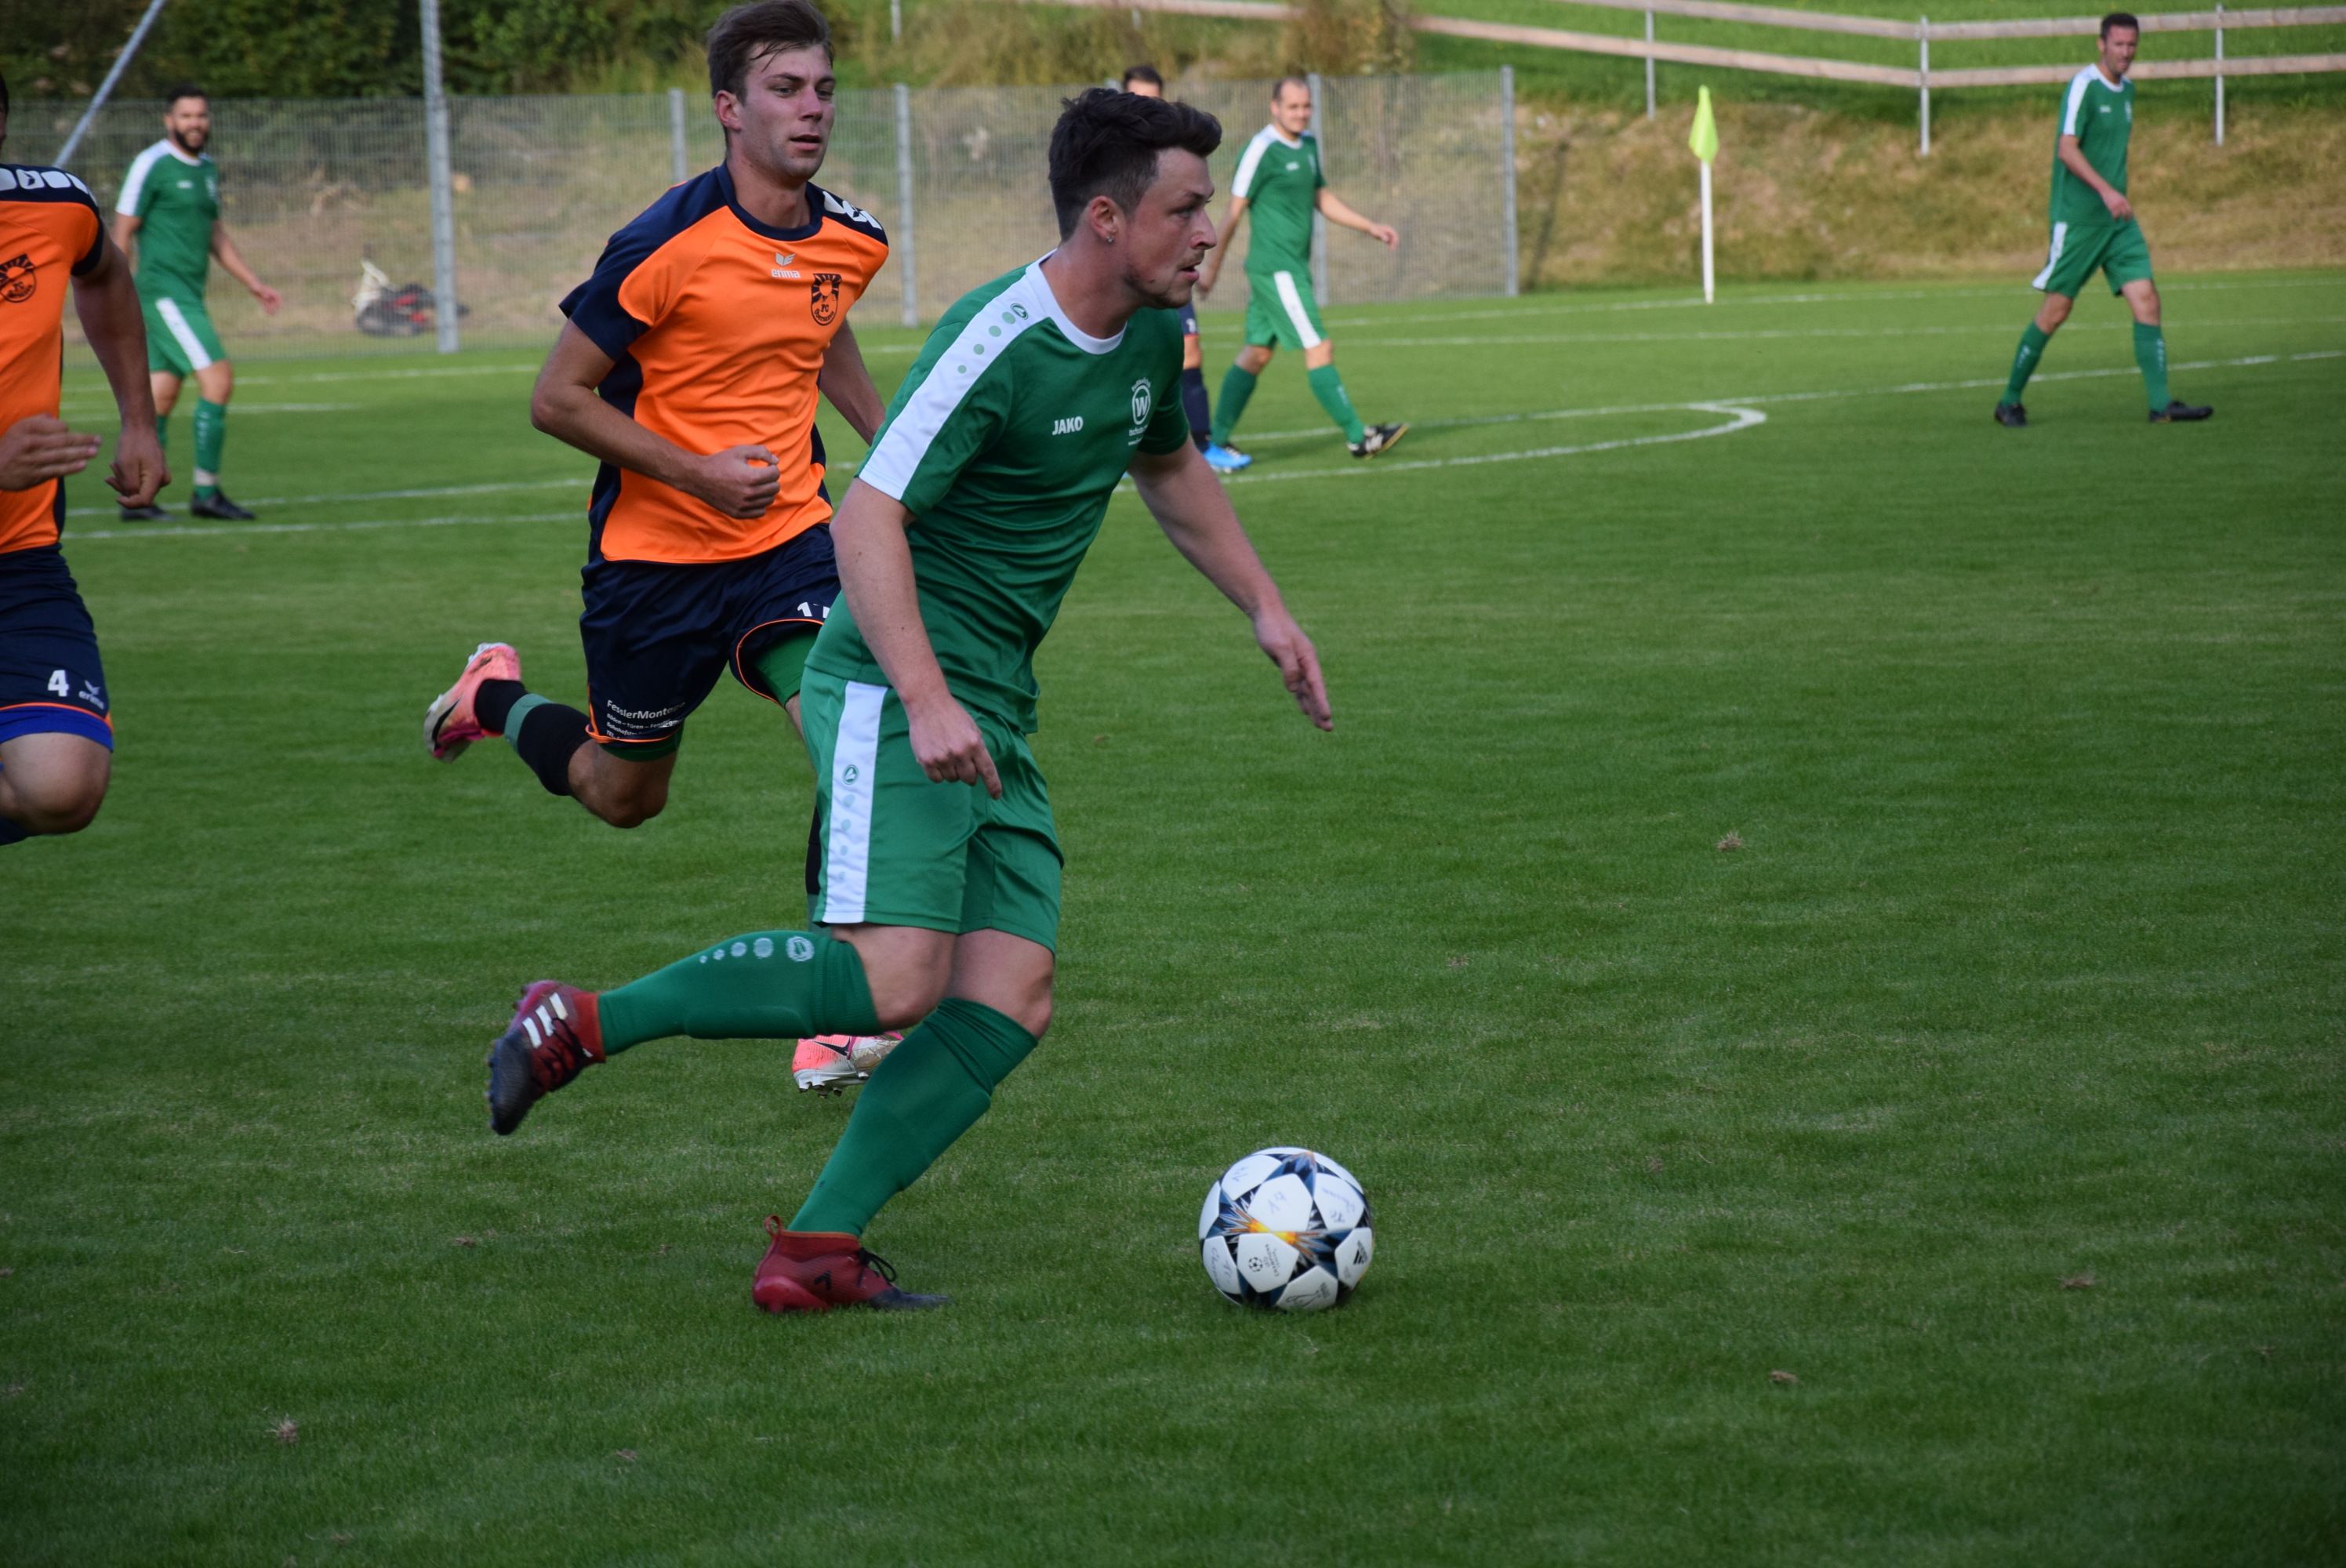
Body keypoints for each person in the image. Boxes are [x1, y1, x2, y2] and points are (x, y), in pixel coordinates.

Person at [477, 87, 1333, 1315]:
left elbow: (1167, 462)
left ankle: (816, 1248)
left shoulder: (1153, 329)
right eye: (1186, 208)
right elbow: (867, 513)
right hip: (896, 680)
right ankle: (580, 1021)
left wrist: (1266, 607)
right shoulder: (998, 336)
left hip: (995, 701)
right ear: (1106, 218)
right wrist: (926, 699)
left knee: (1010, 994)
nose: (1210, 231)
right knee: (893, 982)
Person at [421, 0, 899, 1094]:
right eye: (786, 89)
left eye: (824, 89)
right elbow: (557, 397)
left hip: (791, 541)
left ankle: (843, 1008)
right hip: (654, 563)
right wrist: (696, 473)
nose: (813, 109)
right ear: (729, 108)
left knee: (854, 736)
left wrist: (892, 442)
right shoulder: (663, 243)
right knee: (622, 794)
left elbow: (819, 326)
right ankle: (493, 697)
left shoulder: (855, 237)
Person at [0, 74, 169, 846]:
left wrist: (140, 421)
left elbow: (105, 274)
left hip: (19, 559)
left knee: (62, 788)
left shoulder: (55, 207)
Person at [1994, 13, 2212, 428]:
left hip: (2118, 223)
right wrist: (2106, 191)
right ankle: (2009, 401)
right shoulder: (2084, 86)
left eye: (2132, 45)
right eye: (2118, 44)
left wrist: (2116, 197)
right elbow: (2067, 148)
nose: (2126, 52)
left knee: (2147, 299)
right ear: (2101, 44)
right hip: (2080, 221)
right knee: (2056, 310)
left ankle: (2161, 404)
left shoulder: (2128, 91)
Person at [1197, 76, 1404, 462]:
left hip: (1290, 268)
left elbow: (1321, 197)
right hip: (1277, 271)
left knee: (1256, 354)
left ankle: (1215, 442)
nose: (1301, 113)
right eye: (1293, 106)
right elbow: (1233, 213)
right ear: (1274, 107)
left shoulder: (1308, 144)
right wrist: (1211, 269)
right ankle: (1358, 438)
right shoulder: (1261, 149)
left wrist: (1369, 226)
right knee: (1319, 346)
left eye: (1306, 106)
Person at [111, 85, 280, 521]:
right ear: (169, 120)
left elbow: (214, 234)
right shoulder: (151, 164)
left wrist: (253, 283)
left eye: (201, 115)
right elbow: (123, 231)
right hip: (162, 294)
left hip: (188, 294)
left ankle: (139, 497)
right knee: (218, 380)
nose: (195, 123)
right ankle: (206, 492)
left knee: (161, 396)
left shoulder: (207, 169)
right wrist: (116, 294)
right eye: (186, 116)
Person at [1120, 65, 1250, 472]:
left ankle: (1202, 443)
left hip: (1169, 269)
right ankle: (1116, 445)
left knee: (1189, 349)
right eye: (1138, 100)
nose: (1147, 109)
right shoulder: (1112, 157)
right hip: (1124, 273)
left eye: (1154, 100)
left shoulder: (1176, 158)